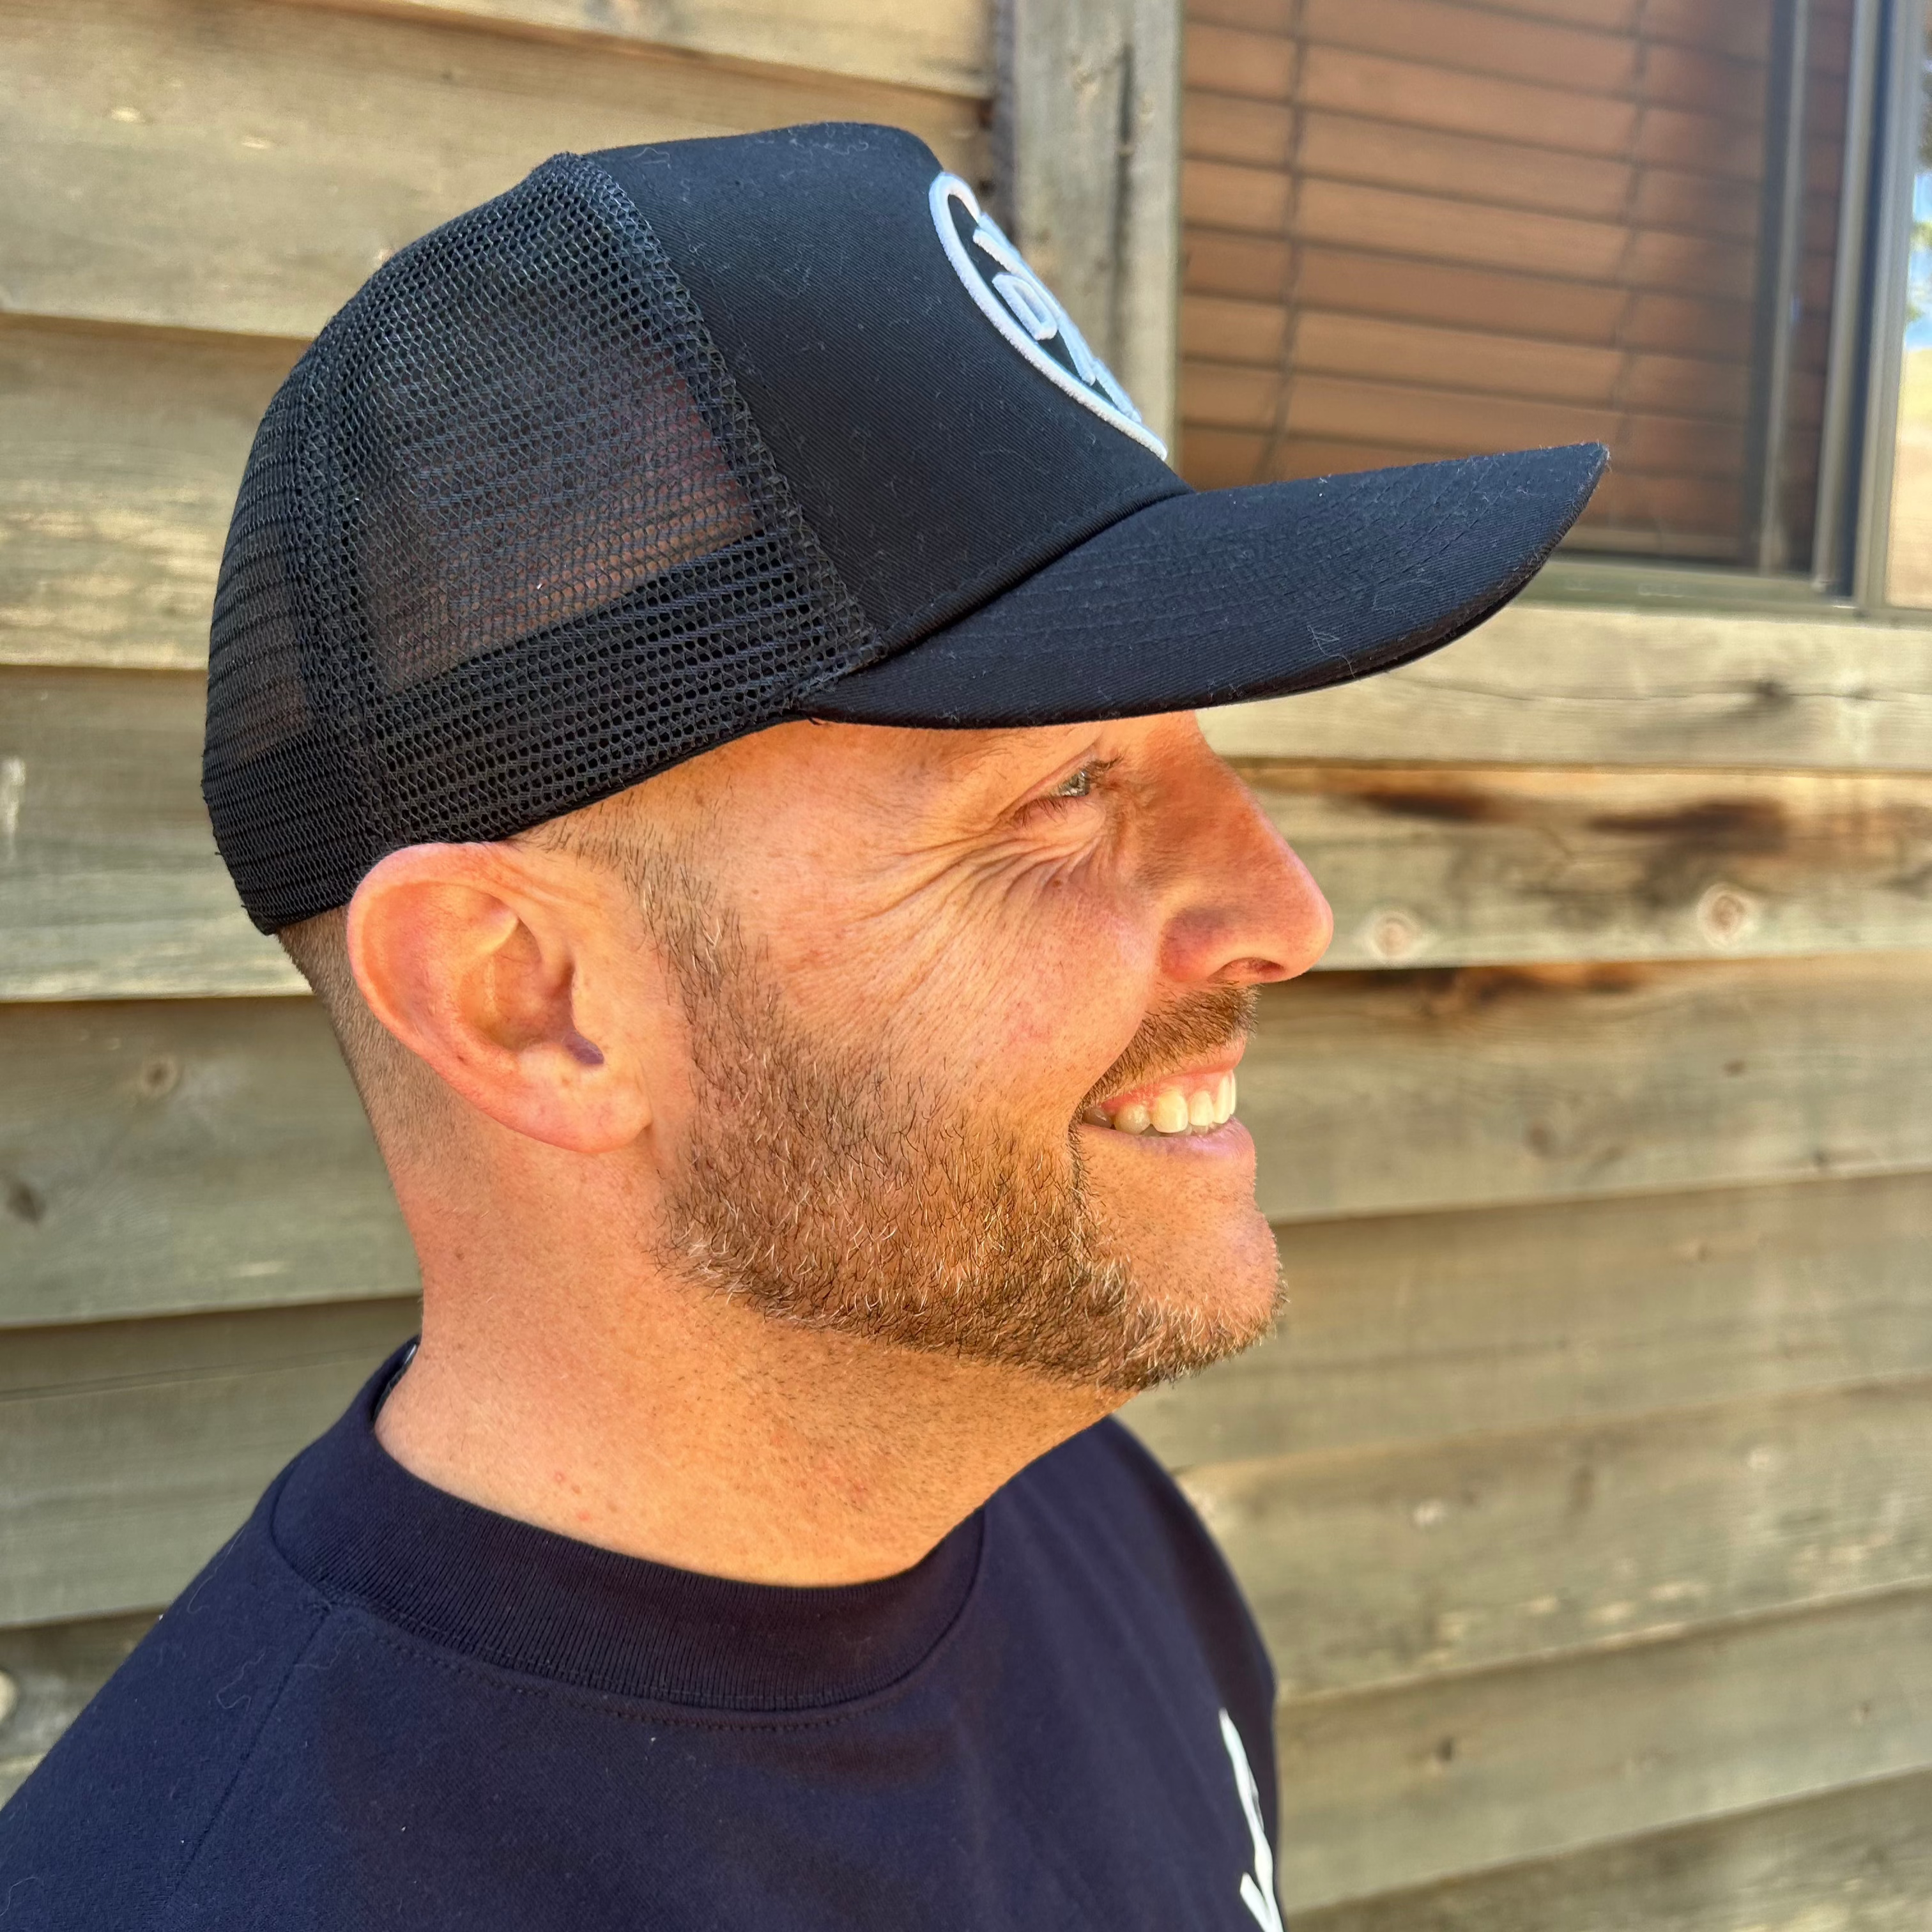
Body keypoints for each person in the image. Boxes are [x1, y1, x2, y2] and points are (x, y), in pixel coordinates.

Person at [0, 123, 1601, 1930]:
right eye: (1064, 790)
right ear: (529, 1002)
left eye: (1194, 758)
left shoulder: (1089, 1525)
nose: (1285, 912)